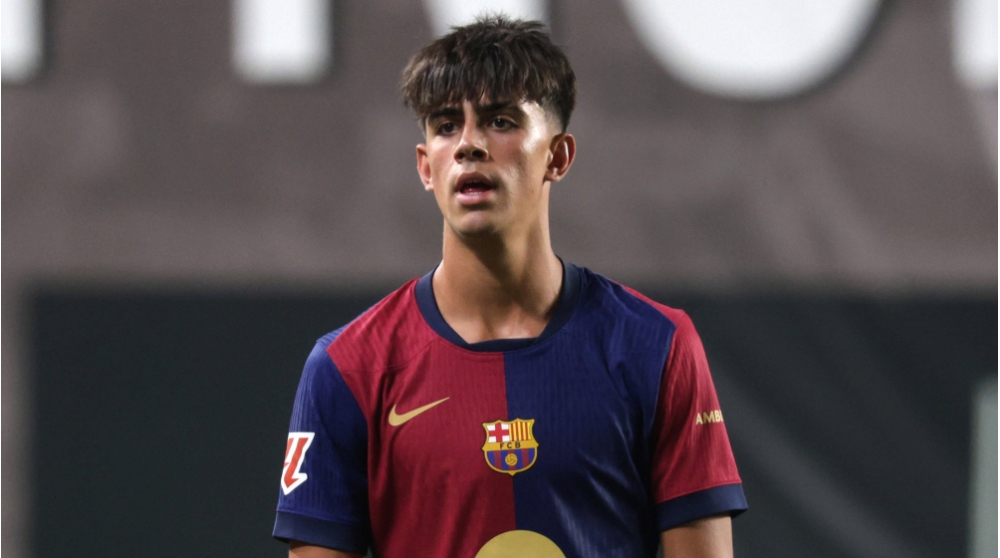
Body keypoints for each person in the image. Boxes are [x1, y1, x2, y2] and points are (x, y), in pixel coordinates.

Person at [273, 15, 746, 558]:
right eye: (446, 125)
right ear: (426, 167)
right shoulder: (346, 367)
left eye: (500, 121)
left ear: (558, 156)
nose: (469, 144)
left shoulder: (657, 345)